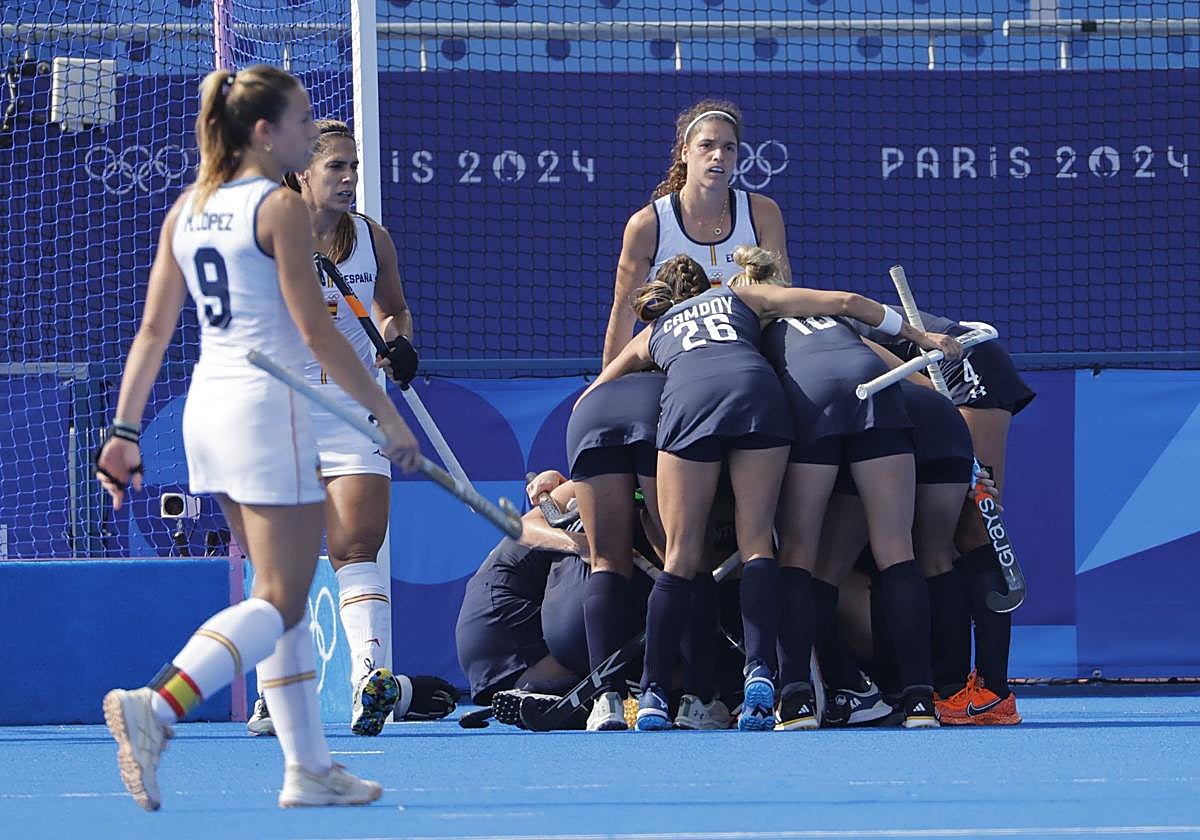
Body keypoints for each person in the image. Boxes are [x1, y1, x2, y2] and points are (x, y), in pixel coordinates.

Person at [94, 65, 421, 811]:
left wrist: (125, 429)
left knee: (288, 592)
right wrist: (388, 414)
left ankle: (308, 768)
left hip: (207, 410)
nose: (313, 136)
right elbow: (318, 335)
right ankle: (158, 705)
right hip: (269, 409)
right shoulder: (276, 209)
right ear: (266, 132)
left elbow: (151, 332)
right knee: (277, 598)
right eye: (304, 124)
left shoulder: (191, 206)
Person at [583, 250, 960, 732]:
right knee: (890, 549)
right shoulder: (747, 300)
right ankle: (918, 702)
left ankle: (770, 697)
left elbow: (604, 383)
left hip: (759, 409)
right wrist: (920, 337)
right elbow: (849, 302)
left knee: (730, 554)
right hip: (834, 397)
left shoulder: (668, 329)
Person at [243, 118, 442, 738]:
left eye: (354, 167)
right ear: (302, 171)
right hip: (282, 412)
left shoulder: (371, 240)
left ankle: (369, 680)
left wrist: (398, 343)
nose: (350, 178)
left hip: (357, 410)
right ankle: (274, 694)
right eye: (337, 167)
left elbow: (394, 309)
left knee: (356, 546)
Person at [856, 309, 1033, 725]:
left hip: (962, 368)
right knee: (944, 539)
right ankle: (957, 686)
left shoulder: (824, 322)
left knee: (975, 528)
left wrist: (960, 446)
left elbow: (914, 380)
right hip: (951, 375)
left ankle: (992, 691)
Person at [601, 99, 791, 367]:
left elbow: (781, 298)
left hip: (749, 357)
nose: (718, 155)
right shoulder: (645, 225)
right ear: (685, 152)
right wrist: (604, 390)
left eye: (729, 147)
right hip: (676, 361)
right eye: (707, 145)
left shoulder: (764, 213)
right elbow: (623, 313)